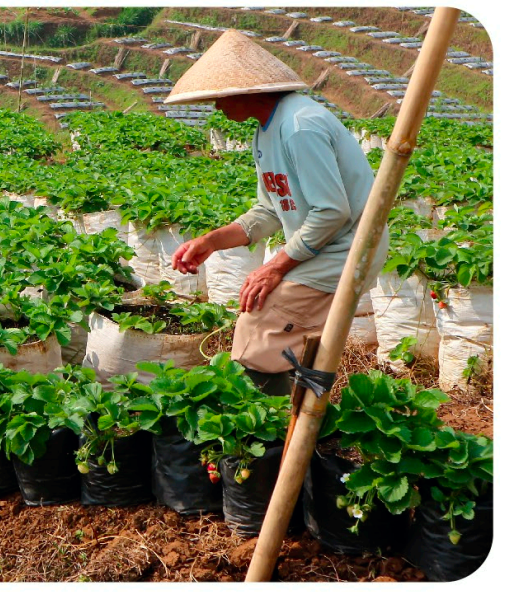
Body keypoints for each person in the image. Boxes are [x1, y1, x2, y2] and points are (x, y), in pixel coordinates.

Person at [162, 30, 386, 396]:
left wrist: (275, 267)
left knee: (262, 328)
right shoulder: (266, 131)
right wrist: (211, 242)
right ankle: (297, 414)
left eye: (219, 96)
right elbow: (270, 209)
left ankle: (274, 419)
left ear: (247, 90)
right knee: (265, 326)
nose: (216, 106)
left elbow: (332, 212)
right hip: (323, 248)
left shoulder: (300, 127)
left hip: (345, 249)